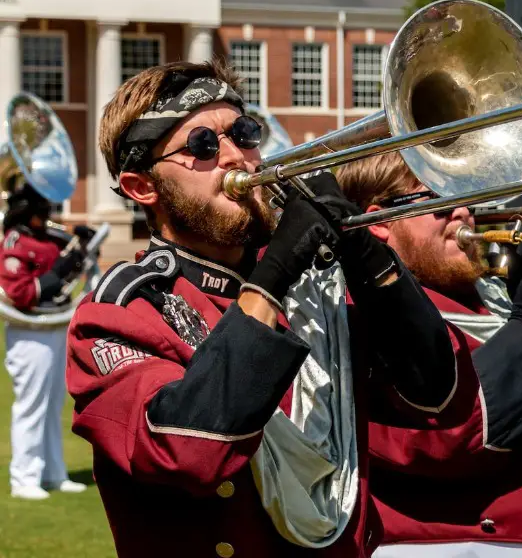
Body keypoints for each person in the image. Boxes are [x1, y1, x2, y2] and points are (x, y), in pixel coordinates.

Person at [68, 60, 457, 557]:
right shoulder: (124, 307)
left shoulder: (317, 283)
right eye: (203, 145)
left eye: (245, 133)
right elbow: (185, 448)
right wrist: (273, 273)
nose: (238, 157)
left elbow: (434, 393)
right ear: (144, 187)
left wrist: (366, 254)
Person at [335, 151, 522, 558]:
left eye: (465, 197)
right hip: (464, 544)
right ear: (379, 222)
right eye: (439, 198)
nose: (464, 211)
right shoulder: (368, 310)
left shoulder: (492, 296)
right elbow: (453, 434)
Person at [0, 185, 90, 500]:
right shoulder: (16, 242)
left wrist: (81, 250)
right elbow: (21, 293)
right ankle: (24, 478)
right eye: (40, 211)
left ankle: (53, 473)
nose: (46, 217)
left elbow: (70, 271)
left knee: (53, 405)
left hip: (55, 324)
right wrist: (56, 274)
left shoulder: (46, 238)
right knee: (32, 406)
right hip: (29, 331)